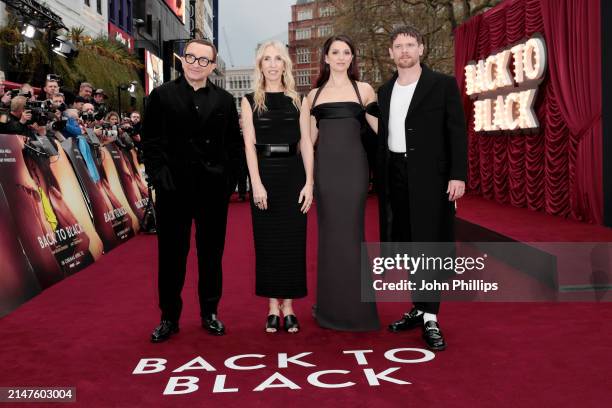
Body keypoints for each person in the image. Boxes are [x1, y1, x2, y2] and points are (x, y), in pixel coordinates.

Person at [142, 38, 242, 343]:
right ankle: (169, 317)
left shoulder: (225, 100)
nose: (196, 64)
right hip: (174, 189)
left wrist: (229, 182)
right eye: (191, 57)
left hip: (213, 190)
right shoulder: (161, 96)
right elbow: (151, 142)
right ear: (181, 59)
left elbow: (232, 145)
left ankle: (210, 313)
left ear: (212, 66)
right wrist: (160, 177)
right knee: (171, 256)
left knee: (211, 254)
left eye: (203, 60)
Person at [376, 25, 467, 351]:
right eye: (398, 46)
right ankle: (418, 306)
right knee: (411, 246)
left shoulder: (441, 85)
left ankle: (431, 317)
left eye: (410, 45)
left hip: (432, 177)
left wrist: (458, 175)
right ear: (391, 53)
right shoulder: (384, 91)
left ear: (421, 49)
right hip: (396, 175)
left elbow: (457, 132)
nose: (404, 51)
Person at [302, 35, 380, 331]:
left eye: (346, 52)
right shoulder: (313, 97)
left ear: (352, 58)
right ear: (325, 57)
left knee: (351, 235)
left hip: (354, 172)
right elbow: (308, 143)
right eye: (335, 52)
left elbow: (382, 130)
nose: (341, 57)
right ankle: (330, 308)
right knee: (330, 238)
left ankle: (357, 311)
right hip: (326, 174)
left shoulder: (364, 91)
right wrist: (308, 181)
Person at [241, 41, 314, 333]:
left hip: (294, 175)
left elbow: (307, 142)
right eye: (266, 60)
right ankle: (273, 306)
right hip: (265, 175)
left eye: (277, 59)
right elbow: (248, 145)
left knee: (293, 244)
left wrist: (309, 182)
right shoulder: (249, 100)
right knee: (269, 244)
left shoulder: (299, 99)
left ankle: (291, 307)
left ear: (285, 64)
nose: (272, 65)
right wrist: (255, 183)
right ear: (260, 66)